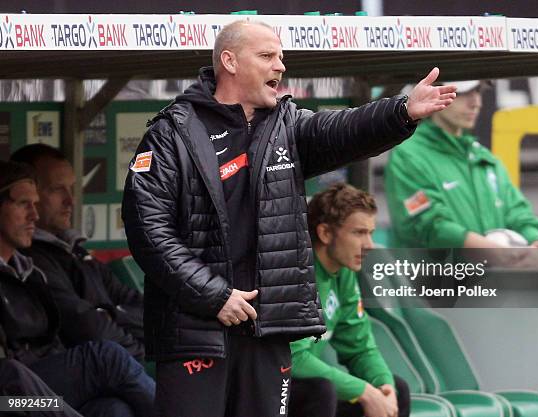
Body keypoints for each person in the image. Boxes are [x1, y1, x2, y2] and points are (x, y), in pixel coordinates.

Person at [121, 19, 455, 417]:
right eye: (266, 56)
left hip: (268, 327)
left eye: (281, 57)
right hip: (197, 331)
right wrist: (215, 296)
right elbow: (147, 230)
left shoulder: (286, 126)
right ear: (228, 61)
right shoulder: (172, 132)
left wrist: (401, 112)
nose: (279, 66)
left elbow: (342, 129)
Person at [0, 160, 155, 417]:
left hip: (47, 392)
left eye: (35, 204)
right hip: (11, 402)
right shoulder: (39, 264)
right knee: (106, 357)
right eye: (22, 204)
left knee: (113, 410)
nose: (34, 215)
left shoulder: (30, 273)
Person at [385, 80, 538, 267]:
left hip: (489, 290)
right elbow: (426, 224)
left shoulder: (483, 157)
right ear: (434, 94)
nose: (476, 103)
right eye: (464, 93)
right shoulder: (409, 155)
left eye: (478, 92)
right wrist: (493, 253)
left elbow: (518, 212)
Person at [11, 144, 145, 361]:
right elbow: (91, 331)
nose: (70, 200)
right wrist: (143, 354)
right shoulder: (28, 260)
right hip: (84, 380)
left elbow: (144, 307)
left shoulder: (77, 250)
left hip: (120, 367)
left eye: (72, 188)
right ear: (31, 196)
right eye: (56, 189)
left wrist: (112, 314)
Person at [289, 183, 410, 417]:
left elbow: (360, 348)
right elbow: (294, 358)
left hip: (310, 393)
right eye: (359, 233)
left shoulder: (343, 274)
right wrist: (363, 391)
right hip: (270, 395)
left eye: (371, 233)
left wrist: (382, 385)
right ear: (325, 233)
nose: (369, 246)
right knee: (320, 390)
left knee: (398, 388)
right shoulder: (296, 272)